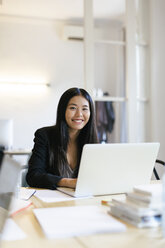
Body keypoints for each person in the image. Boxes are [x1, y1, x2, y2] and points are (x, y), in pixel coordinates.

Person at [26, 87, 98, 190]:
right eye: (73, 108)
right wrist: (66, 182)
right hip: (51, 201)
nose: (79, 114)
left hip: (82, 199)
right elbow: (33, 176)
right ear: (63, 110)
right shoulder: (44, 135)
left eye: (85, 109)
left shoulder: (92, 141)